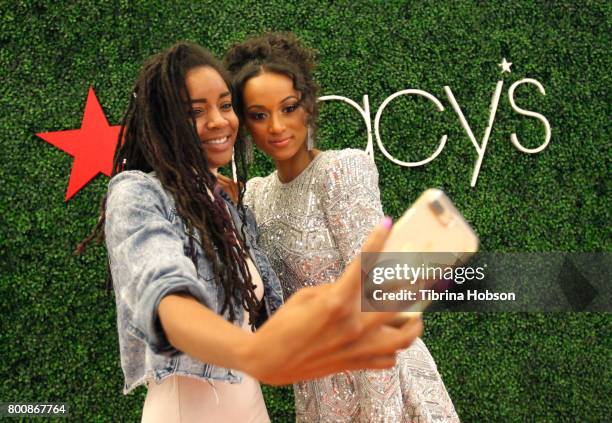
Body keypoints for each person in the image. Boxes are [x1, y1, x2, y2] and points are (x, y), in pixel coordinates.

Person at [76, 41, 422, 422]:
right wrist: (252, 353)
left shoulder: (229, 208)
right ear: (165, 121)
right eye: (195, 111)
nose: (219, 121)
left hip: (257, 405)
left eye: (225, 106)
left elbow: (378, 294)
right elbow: (164, 292)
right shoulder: (138, 195)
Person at [225, 32, 460, 422]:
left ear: (308, 106)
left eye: (288, 107)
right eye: (259, 114)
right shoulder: (256, 197)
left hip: (383, 379)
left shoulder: (340, 171)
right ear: (245, 123)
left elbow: (380, 297)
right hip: (318, 389)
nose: (277, 126)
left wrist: (381, 414)